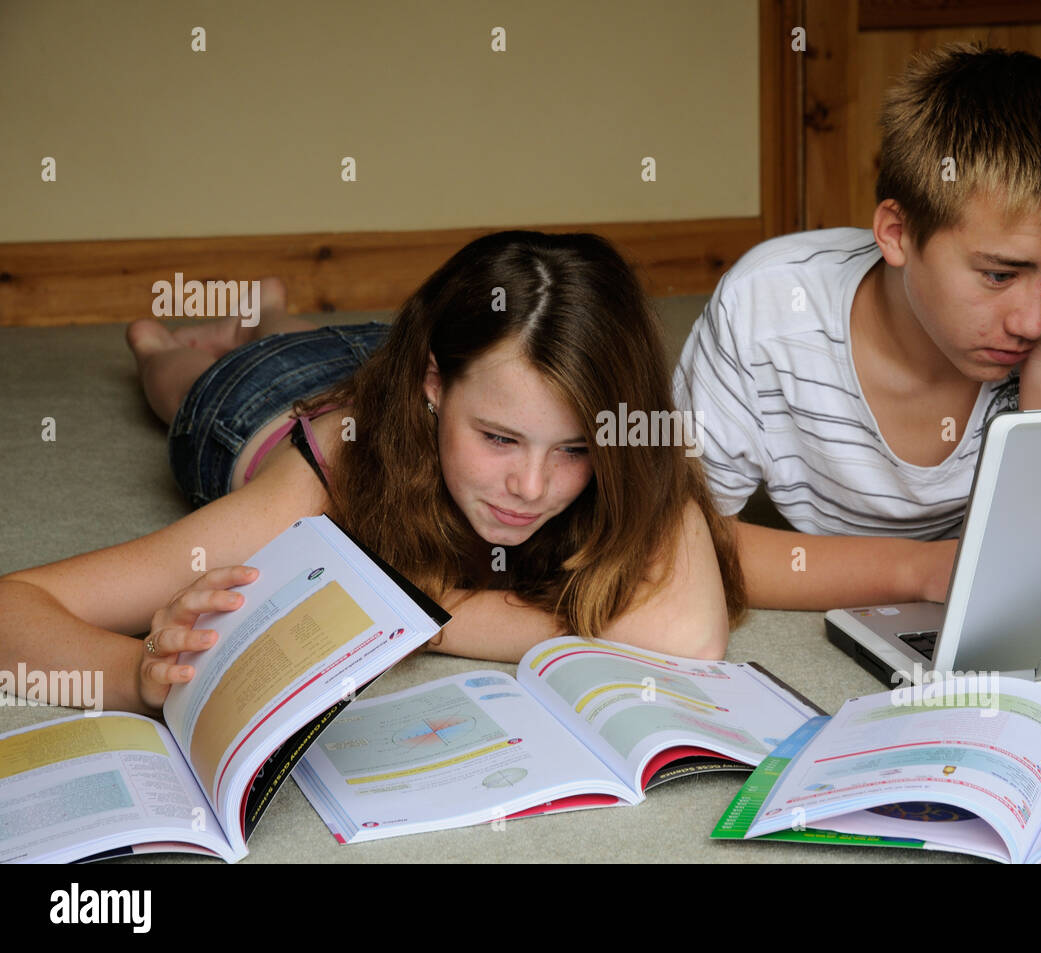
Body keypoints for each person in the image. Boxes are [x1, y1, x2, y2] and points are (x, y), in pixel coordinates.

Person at [0, 230, 745, 715]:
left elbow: (689, 631)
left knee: (342, 343)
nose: (532, 486)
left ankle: (270, 308)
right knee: (187, 381)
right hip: (262, 400)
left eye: (577, 448)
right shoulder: (314, 491)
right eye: (500, 439)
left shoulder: (518, 389)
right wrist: (137, 676)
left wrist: (429, 613)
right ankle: (157, 342)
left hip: (400, 354)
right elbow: (14, 607)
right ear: (434, 385)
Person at [674, 43, 1041, 612]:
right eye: (1000, 274)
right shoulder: (764, 310)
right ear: (897, 233)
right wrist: (922, 570)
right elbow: (678, 545)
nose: (1033, 321)